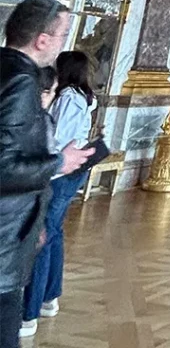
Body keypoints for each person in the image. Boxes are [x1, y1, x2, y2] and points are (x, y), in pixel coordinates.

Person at [1, 0, 93, 348]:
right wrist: (59, 163)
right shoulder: (22, 81)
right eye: (63, 34)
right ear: (42, 40)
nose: (62, 44)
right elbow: (5, 165)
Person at [22, 51, 97, 336]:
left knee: (41, 236)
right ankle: (49, 297)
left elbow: (59, 141)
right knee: (53, 233)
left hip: (61, 172)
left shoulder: (67, 98)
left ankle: (29, 313)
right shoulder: (83, 97)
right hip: (73, 172)